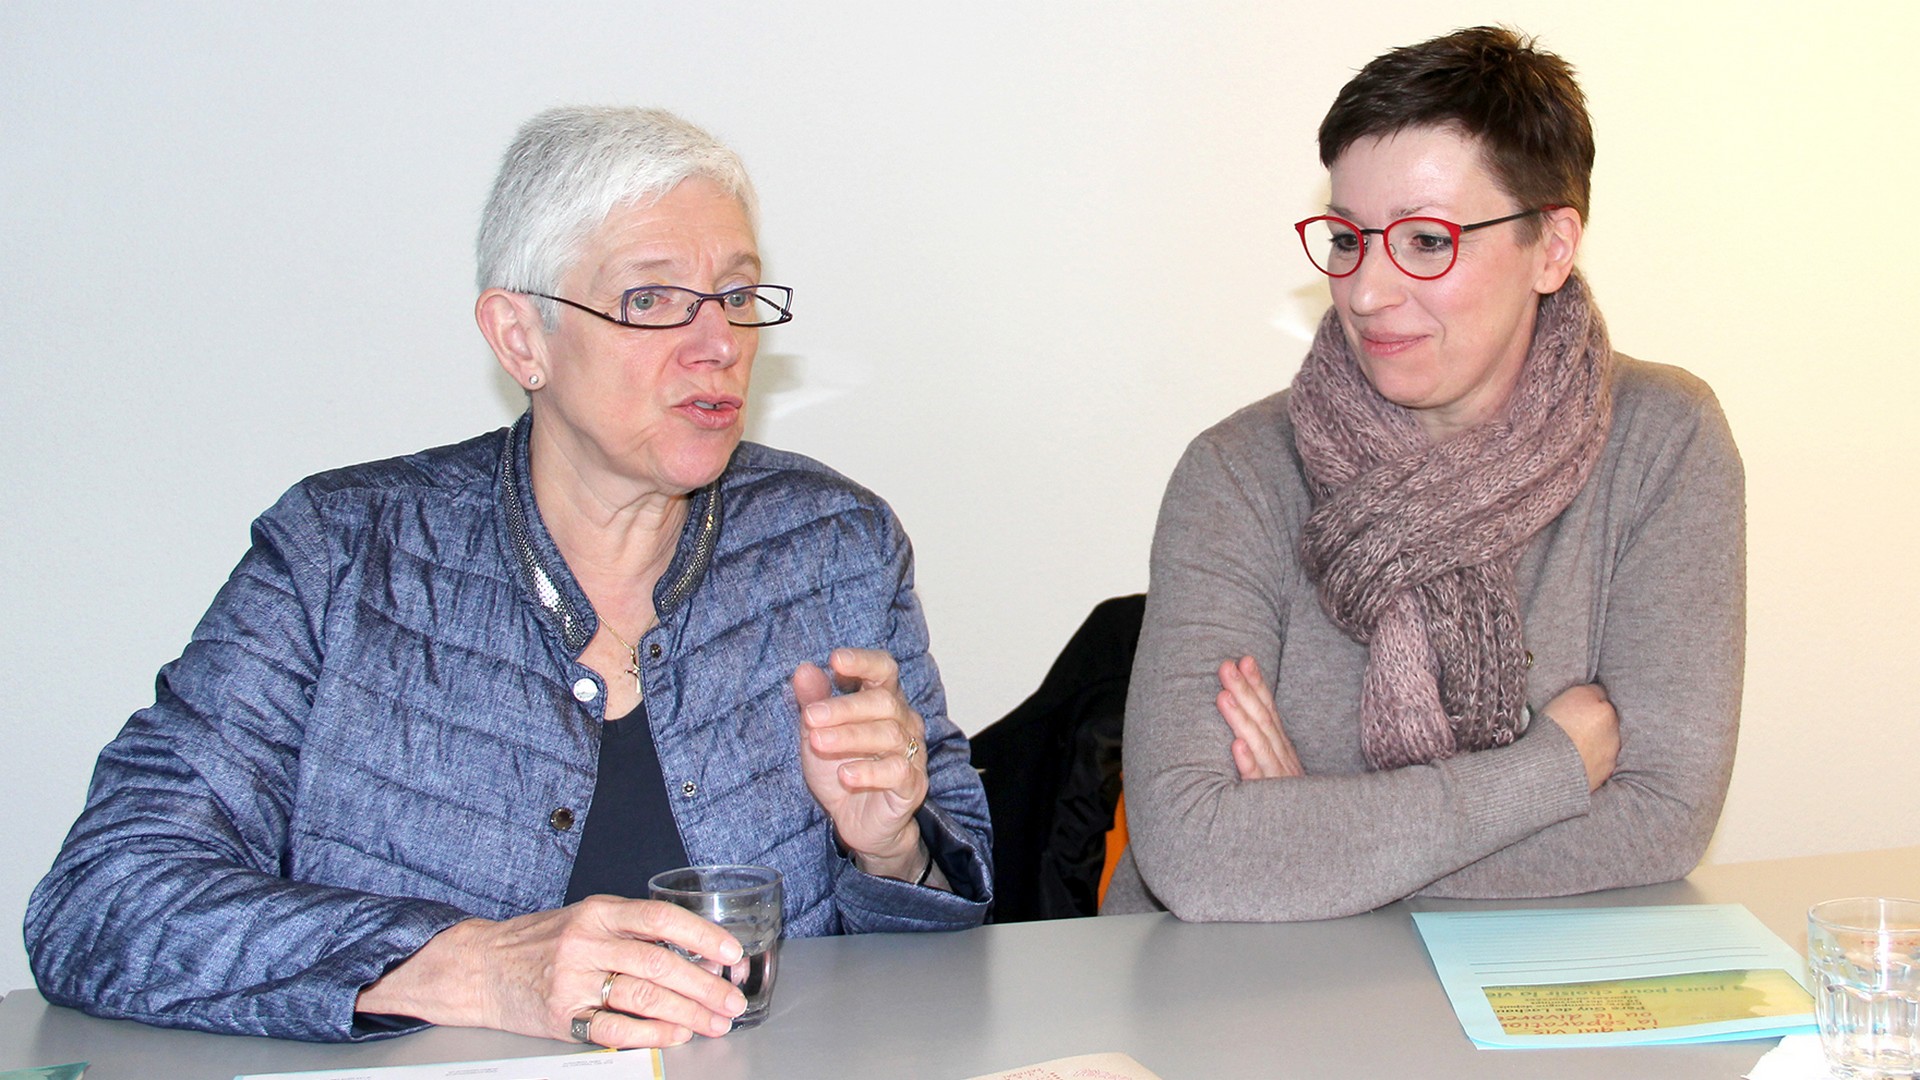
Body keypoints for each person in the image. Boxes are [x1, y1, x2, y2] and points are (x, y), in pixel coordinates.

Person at [25, 106, 992, 1046]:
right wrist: (477, 967)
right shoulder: (343, 554)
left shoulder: (834, 543)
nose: (717, 345)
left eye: (736, 297)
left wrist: (892, 848)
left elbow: (954, 921)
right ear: (520, 338)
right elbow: (101, 899)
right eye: (650, 300)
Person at [1103, 27, 1744, 921]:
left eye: (1427, 241)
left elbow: (1662, 820)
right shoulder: (1237, 474)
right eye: (1348, 237)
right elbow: (1197, 853)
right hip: (1240, 998)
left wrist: (1307, 844)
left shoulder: (1663, 442)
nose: (1366, 291)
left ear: (1552, 247)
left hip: (1523, 1006)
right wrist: (1547, 773)